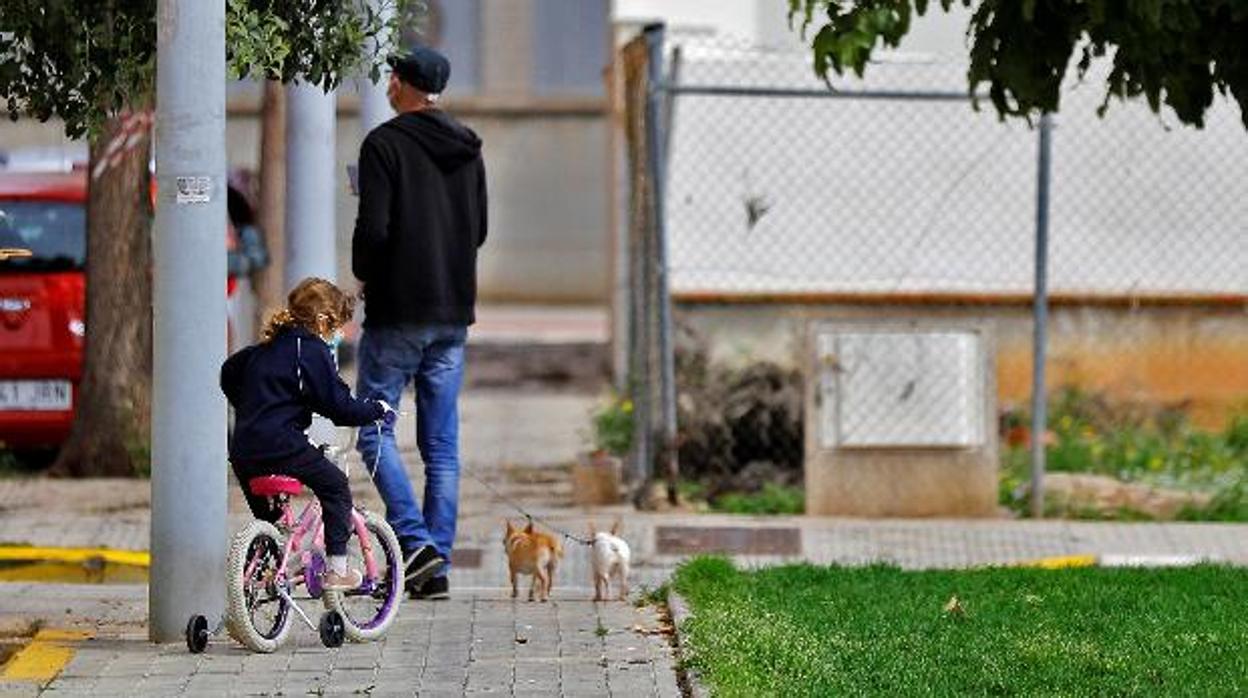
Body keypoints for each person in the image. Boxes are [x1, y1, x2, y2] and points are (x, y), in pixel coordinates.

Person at [351, 45, 488, 600]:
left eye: (392, 76)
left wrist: (365, 271)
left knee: (372, 430)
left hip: (397, 313)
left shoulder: (384, 145)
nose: (386, 83)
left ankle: (414, 541)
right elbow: (478, 230)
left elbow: (374, 230)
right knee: (441, 446)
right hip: (453, 312)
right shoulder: (468, 148)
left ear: (404, 84)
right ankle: (437, 565)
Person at [221, 277, 394, 590]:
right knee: (335, 486)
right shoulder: (311, 350)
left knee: (270, 525)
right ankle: (338, 571)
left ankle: (257, 579)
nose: (338, 335)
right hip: (282, 445)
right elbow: (339, 406)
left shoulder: (263, 349)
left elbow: (228, 372)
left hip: (244, 450)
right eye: (337, 326)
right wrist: (376, 410)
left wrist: (255, 404)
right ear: (323, 320)